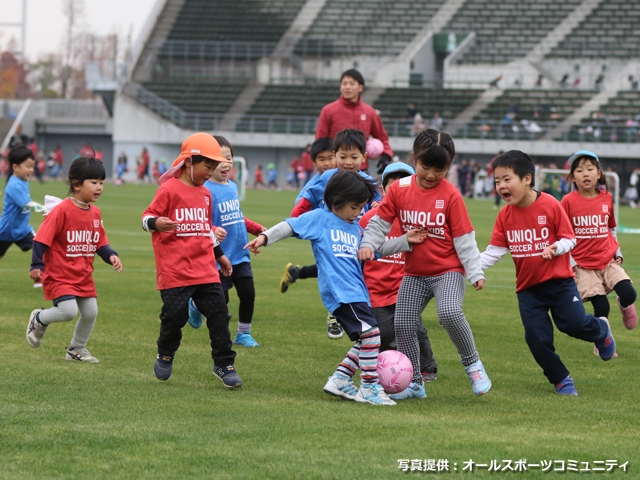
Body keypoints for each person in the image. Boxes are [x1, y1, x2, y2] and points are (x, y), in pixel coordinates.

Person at [246, 171, 426, 405]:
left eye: (361, 207)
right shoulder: (320, 218)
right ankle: (369, 387)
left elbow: (376, 250)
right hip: (340, 293)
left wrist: (405, 241)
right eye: (354, 207)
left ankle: (341, 378)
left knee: (366, 339)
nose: (357, 212)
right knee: (372, 334)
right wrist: (264, 237)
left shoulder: (355, 228)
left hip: (357, 292)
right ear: (336, 200)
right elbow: (289, 226)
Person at [358, 129, 491, 400]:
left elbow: (465, 239)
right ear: (414, 158)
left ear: (449, 166)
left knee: (449, 313)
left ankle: (473, 365)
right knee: (404, 323)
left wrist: (475, 271)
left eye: (439, 169)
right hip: (415, 272)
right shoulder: (399, 189)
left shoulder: (451, 195)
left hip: (448, 271)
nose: (431, 174)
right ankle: (415, 383)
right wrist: (368, 243)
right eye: (425, 166)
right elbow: (379, 223)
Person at [480, 150, 616, 396]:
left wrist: (556, 248)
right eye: (497, 181)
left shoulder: (550, 204)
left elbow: (569, 238)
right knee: (536, 338)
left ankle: (601, 331)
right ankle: (561, 378)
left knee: (573, 324)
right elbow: (494, 252)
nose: (501, 186)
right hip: (529, 290)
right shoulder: (504, 215)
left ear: (527, 179)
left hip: (560, 283)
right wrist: (469, 266)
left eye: (506, 179)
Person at [141, 132, 241, 388]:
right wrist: (157, 222)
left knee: (220, 314)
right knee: (174, 317)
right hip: (175, 272)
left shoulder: (206, 195)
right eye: (207, 166)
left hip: (205, 269)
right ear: (188, 162)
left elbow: (205, 229)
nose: (211, 171)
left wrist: (221, 256)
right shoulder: (168, 190)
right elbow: (146, 218)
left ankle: (224, 364)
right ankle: (165, 352)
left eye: (214, 166)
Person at [284, 130, 381, 338]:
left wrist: (377, 207)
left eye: (354, 157)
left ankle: (361, 320)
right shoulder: (328, 177)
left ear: (364, 158)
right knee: (337, 274)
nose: (348, 162)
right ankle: (334, 315)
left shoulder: (368, 182)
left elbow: (379, 207)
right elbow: (308, 196)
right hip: (332, 237)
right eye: (342, 157)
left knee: (358, 277)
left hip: (357, 236)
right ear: (335, 155)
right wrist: (299, 215)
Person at [26, 154, 122, 362]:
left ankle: (76, 349)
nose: (99, 187)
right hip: (60, 274)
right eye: (94, 182)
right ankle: (39, 318)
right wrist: (37, 264)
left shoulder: (95, 213)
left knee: (90, 312)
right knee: (68, 311)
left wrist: (111, 255)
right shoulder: (61, 211)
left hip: (83, 274)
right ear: (77, 184)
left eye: (102, 183)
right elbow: (41, 240)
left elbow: (100, 243)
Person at [360, 162, 438, 382]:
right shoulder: (370, 219)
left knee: (415, 328)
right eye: (392, 189)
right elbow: (361, 253)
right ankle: (389, 364)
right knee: (383, 332)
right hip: (376, 289)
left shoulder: (416, 220)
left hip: (406, 286)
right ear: (383, 191)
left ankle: (426, 367)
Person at [187, 135, 266, 348]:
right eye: (218, 160)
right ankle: (195, 304)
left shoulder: (232, 187)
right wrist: (213, 229)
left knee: (248, 293)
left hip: (240, 253)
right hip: (218, 256)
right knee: (221, 300)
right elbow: (198, 221)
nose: (224, 164)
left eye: (228, 158)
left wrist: (258, 229)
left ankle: (243, 334)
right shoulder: (205, 191)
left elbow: (237, 217)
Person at [560, 150, 637, 345]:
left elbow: (611, 227)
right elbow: (562, 234)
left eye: (590, 169)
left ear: (599, 173)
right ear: (572, 177)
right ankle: (603, 343)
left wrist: (617, 251)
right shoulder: (567, 202)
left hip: (608, 260)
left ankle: (624, 304)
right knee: (601, 308)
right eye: (579, 170)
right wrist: (571, 262)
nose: (585, 174)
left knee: (629, 293)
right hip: (584, 266)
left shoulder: (606, 198)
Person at [316, 69, 393, 172]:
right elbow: (321, 141)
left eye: (352, 84)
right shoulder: (328, 111)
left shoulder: (370, 112)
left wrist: (386, 156)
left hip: (361, 169)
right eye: (344, 84)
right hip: (335, 170)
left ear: (360, 87)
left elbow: (382, 137)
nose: (347, 87)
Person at [0, 146, 47, 287]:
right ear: (15, 167)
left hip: (22, 230)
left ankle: (39, 277)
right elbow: (26, 205)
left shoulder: (23, 181)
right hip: (6, 230)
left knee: (42, 246)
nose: (31, 170)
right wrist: (46, 209)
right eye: (27, 167)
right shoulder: (14, 185)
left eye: (32, 166)